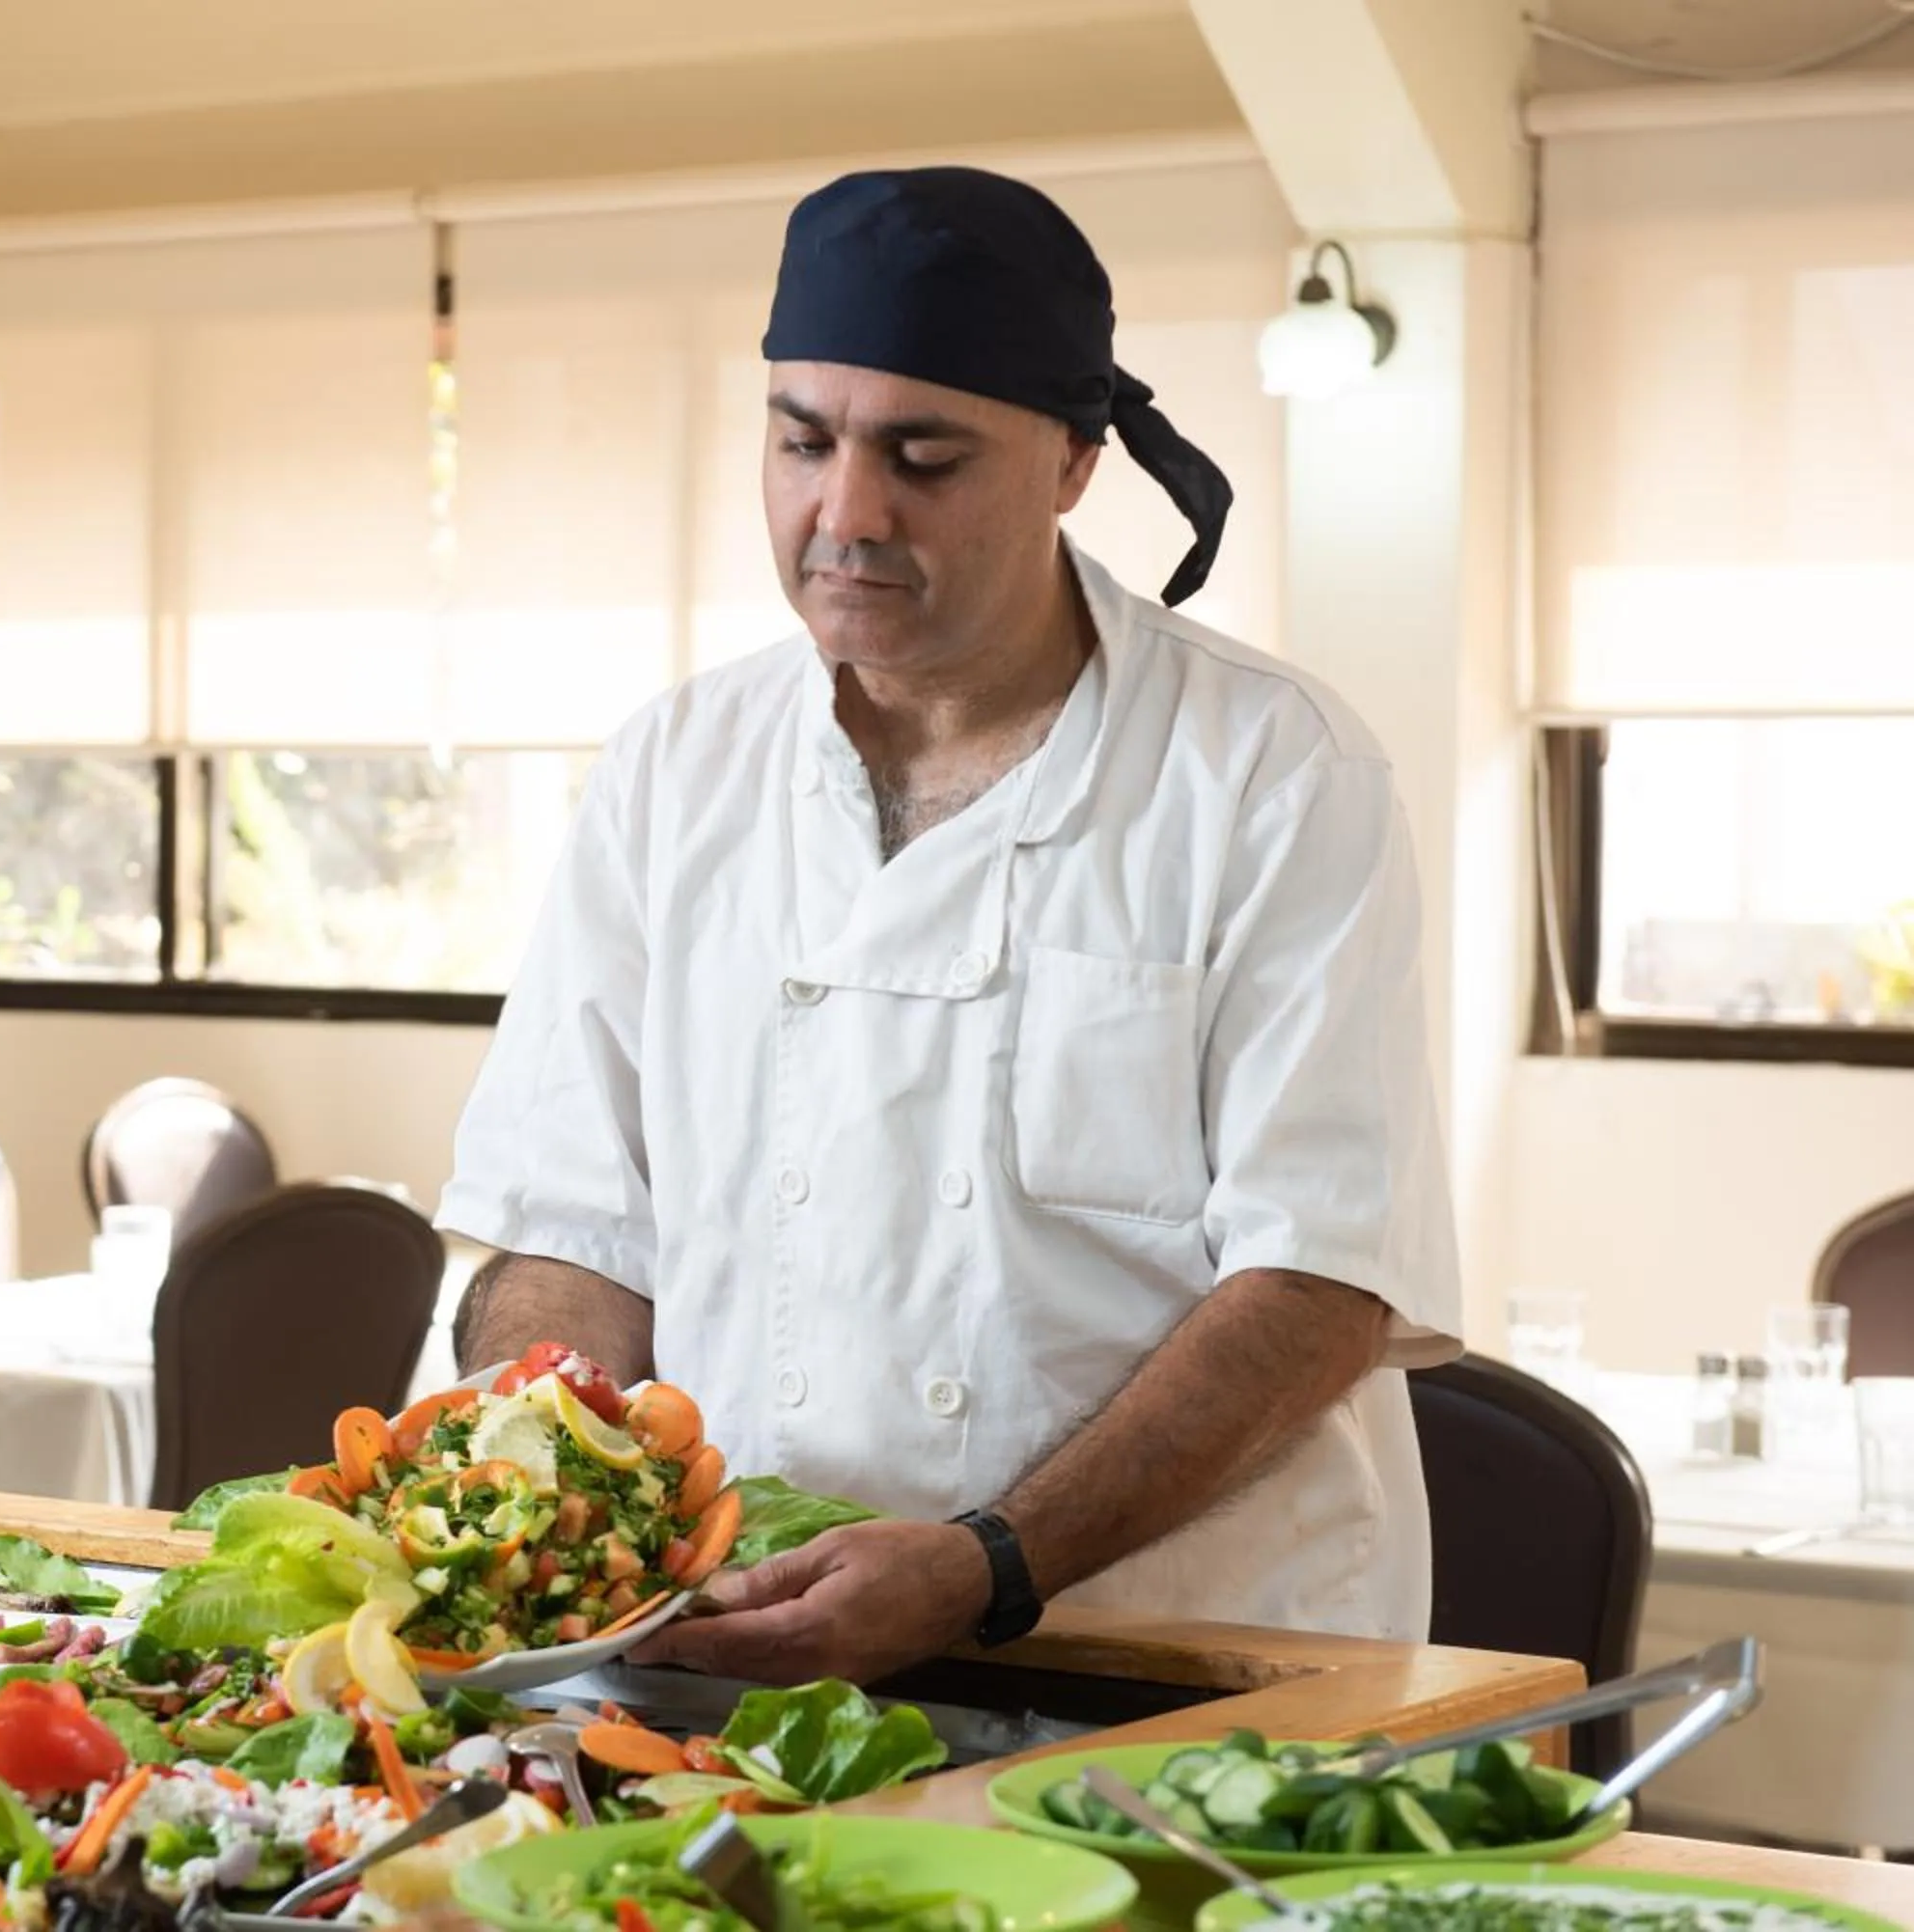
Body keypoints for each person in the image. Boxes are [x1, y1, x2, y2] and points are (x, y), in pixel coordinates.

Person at [433, 167, 1460, 1688]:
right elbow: (571, 1226)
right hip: (731, 1658)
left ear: (1070, 463)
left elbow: (1317, 1282)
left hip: (1173, 1666)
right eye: (803, 443)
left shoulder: (1270, 771)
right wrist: (564, 1469)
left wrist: (990, 1562)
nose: (846, 513)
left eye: (923, 455)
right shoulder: (676, 770)